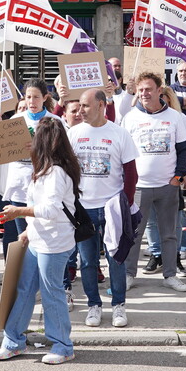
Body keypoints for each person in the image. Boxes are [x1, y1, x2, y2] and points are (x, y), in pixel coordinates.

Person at [0, 118, 81, 365]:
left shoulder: (55, 172)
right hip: (40, 239)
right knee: (26, 288)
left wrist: (19, 213)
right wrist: (28, 231)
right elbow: (45, 209)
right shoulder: (47, 169)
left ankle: (63, 346)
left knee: (51, 292)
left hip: (53, 242)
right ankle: (13, 341)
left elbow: (51, 209)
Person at [68, 88, 138, 328]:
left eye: (85, 106)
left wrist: (125, 204)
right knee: (87, 262)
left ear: (101, 105)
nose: (80, 111)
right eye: (78, 106)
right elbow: (65, 169)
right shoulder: (73, 133)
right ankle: (93, 305)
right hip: (83, 209)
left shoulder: (119, 134)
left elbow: (131, 172)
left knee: (116, 259)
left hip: (112, 209)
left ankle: (118, 305)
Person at [121, 71, 186, 293]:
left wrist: (178, 177)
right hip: (139, 187)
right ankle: (128, 274)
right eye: (140, 90)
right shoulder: (130, 117)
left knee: (170, 233)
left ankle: (170, 275)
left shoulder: (175, 117)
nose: (144, 93)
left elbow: (183, 150)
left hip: (167, 186)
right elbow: (123, 154)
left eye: (148, 89)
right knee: (133, 234)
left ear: (159, 90)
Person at [0, 78, 59, 262]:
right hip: (19, 188)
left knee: (42, 237)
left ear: (45, 97)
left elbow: (61, 155)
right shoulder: (15, 121)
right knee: (21, 236)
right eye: (28, 97)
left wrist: (38, 147)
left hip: (44, 188)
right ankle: (19, 278)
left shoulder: (55, 122)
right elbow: (2, 154)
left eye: (36, 97)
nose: (31, 101)